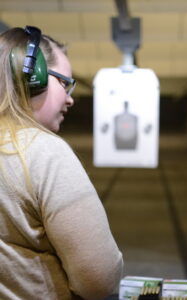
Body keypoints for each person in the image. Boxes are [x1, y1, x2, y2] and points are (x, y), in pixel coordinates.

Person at [0, 26, 123, 299]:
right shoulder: (44, 153)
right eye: (64, 83)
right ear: (35, 78)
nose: (70, 98)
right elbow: (98, 279)